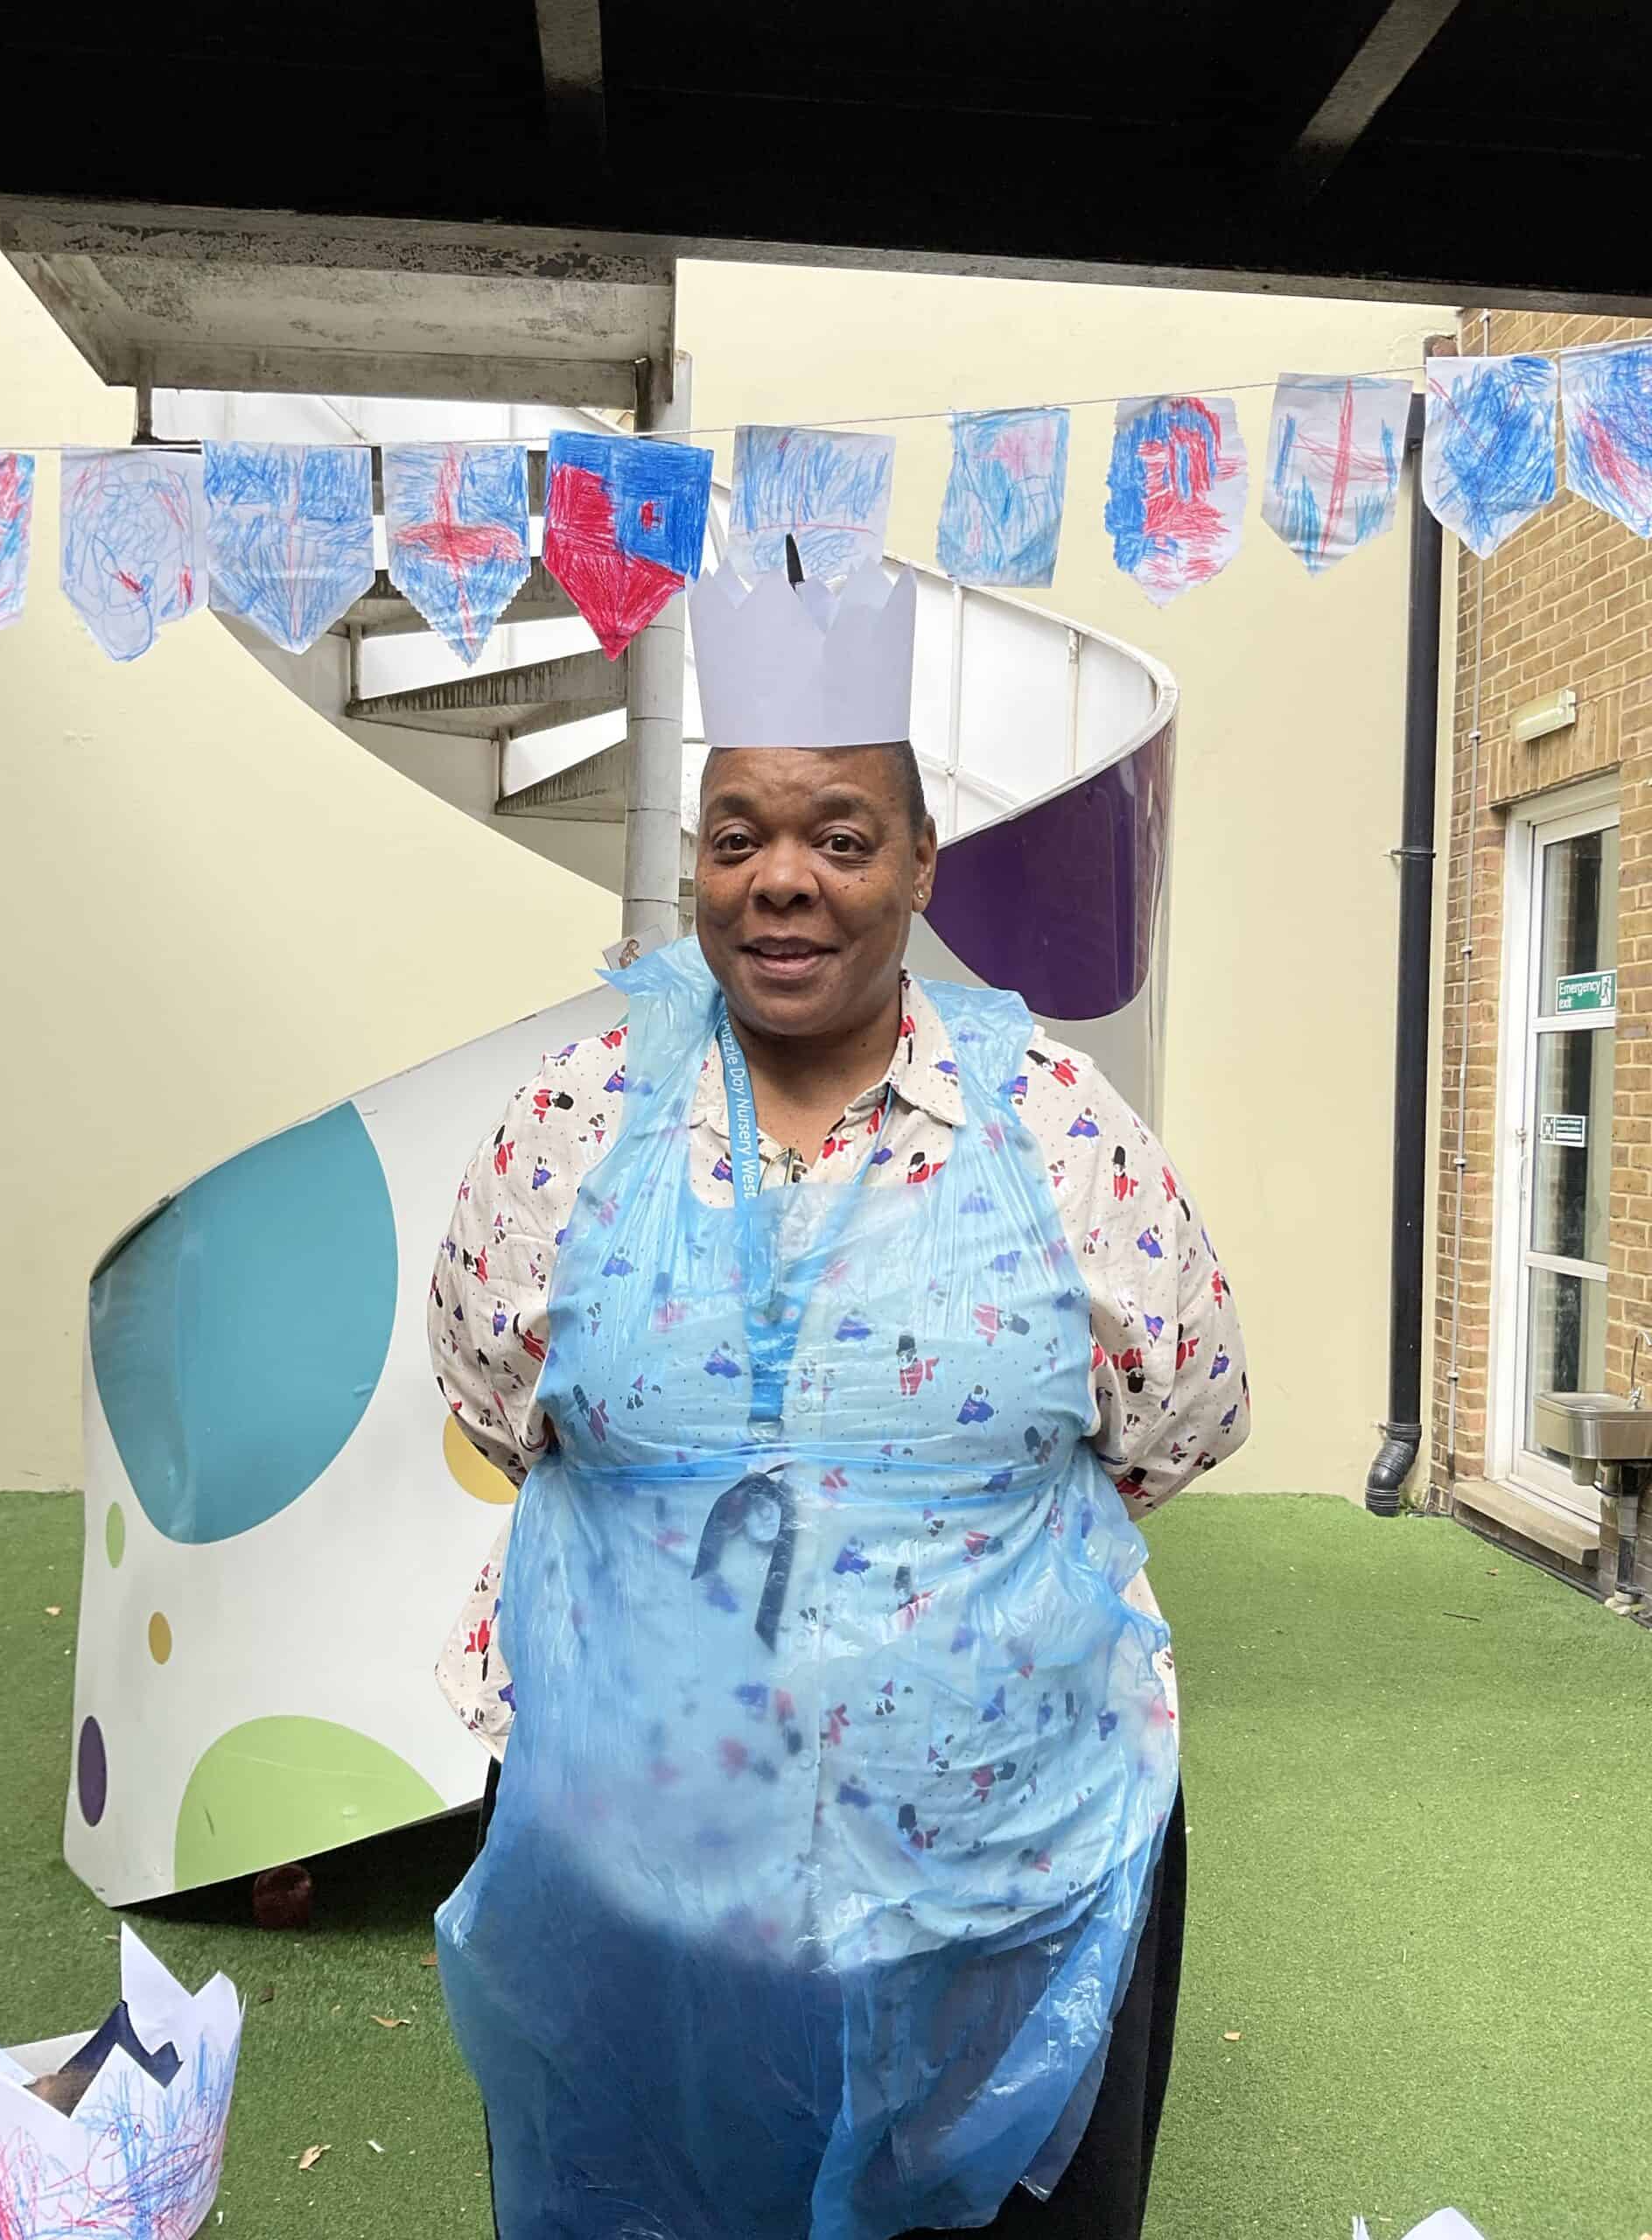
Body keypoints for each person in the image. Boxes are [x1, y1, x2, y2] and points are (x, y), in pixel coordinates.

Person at [428, 549, 1249, 2240]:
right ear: (695, 859)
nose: (782, 882)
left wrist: (921, 1552)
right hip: (638, 1878)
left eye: (842, 838)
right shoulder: (575, 1121)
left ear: (922, 861)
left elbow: (1181, 1414)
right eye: (737, 837)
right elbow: (494, 1393)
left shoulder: (1057, 1130)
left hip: (1004, 1872)